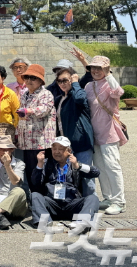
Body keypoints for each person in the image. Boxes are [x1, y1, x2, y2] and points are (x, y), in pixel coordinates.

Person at [84, 55, 127, 215]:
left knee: (112, 166)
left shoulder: (110, 84)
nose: (95, 70)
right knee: (100, 168)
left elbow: (118, 91)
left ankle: (119, 201)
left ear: (106, 69)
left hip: (109, 132)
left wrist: (109, 75)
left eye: (99, 68)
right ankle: (108, 198)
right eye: (93, 67)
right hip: (94, 133)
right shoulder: (89, 86)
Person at [30, 137, 100, 228]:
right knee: (35, 195)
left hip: (72, 203)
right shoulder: (46, 163)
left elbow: (96, 172)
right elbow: (35, 183)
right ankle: (44, 221)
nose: (57, 152)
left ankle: (82, 222)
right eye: (54, 149)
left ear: (69, 151)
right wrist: (39, 164)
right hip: (52, 204)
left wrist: (78, 166)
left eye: (61, 149)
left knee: (93, 198)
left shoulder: (74, 164)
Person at [54, 67, 95, 196]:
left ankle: (91, 203)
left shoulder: (78, 93)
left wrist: (76, 83)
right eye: (59, 81)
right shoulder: (59, 99)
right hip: (66, 146)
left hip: (81, 142)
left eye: (65, 80)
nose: (62, 83)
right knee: (68, 176)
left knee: (86, 176)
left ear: (72, 79)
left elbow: (80, 99)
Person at [16, 64, 56, 194]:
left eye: (33, 78)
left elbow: (43, 110)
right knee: (30, 173)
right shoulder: (24, 94)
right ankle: (34, 199)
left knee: (42, 174)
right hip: (26, 143)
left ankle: (44, 200)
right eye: (26, 77)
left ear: (40, 81)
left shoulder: (46, 94)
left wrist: (28, 110)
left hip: (41, 143)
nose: (28, 80)